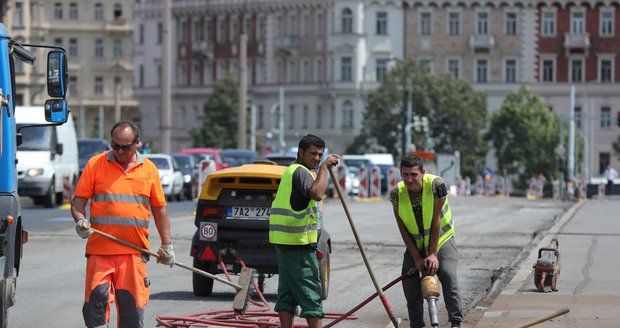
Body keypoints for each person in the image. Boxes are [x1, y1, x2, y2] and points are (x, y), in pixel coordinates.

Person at [71, 121, 175, 328]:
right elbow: (78, 201)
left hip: (133, 254)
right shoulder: (95, 164)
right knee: (96, 304)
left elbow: (159, 209)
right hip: (100, 252)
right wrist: (80, 219)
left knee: (131, 311)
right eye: (115, 146)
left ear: (138, 143)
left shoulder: (149, 169)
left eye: (125, 147)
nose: (119, 151)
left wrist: (166, 245)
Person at [269, 134, 339, 328]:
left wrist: (320, 169)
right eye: (313, 154)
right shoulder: (301, 172)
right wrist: (324, 167)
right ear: (301, 152)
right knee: (311, 294)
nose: (316, 158)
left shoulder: (292, 171)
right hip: (297, 244)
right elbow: (317, 194)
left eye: (320, 155)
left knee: (287, 294)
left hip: (285, 243)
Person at [389, 155, 462, 328]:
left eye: (413, 175)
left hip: (442, 240)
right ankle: (417, 324)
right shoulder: (396, 193)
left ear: (422, 173)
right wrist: (416, 258)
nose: (409, 179)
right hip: (417, 243)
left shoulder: (436, 185)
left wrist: (432, 254)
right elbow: (403, 229)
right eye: (405, 174)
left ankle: (456, 321)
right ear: (400, 173)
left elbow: (436, 220)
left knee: (447, 274)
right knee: (409, 281)